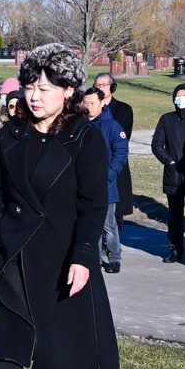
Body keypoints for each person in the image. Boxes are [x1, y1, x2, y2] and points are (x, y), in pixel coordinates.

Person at [0, 43, 119, 369]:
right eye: (30, 85)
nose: (34, 96)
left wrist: (84, 257)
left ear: (69, 90)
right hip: (15, 253)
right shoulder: (11, 132)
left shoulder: (85, 136)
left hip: (64, 257)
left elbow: (94, 204)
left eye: (45, 87)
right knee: (8, 345)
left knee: (67, 347)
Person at [151, 84, 185, 266]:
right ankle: (174, 250)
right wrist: (170, 161)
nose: (181, 98)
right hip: (173, 175)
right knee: (174, 216)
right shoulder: (167, 119)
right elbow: (157, 144)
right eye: (178, 95)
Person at [83, 87, 128, 274]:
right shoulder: (80, 124)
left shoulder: (112, 126)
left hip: (105, 185)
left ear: (102, 103)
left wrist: (109, 174)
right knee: (87, 223)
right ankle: (92, 257)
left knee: (108, 225)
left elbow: (121, 153)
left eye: (92, 103)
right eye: (85, 103)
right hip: (84, 184)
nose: (89, 107)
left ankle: (114, 258)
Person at [94, 73, 133, 231]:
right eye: (97, 85)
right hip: (94, 165)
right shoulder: (90, 108)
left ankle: (112, 249)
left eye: (104, 85)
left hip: (115, 164)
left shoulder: (123, 109)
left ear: (112, 87)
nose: (100, 88)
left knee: (115, 214)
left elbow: (123, 138)